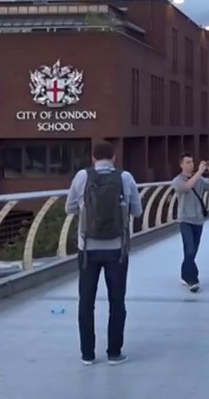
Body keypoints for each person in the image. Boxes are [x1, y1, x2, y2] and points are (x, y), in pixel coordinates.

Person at [65, 142, 142, 365]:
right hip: (117, 250)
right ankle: (114, 353)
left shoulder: (82, 176)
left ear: (93, 158)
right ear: (114, 158)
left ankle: (87, 354)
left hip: (87, 249)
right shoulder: (125, 178)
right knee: (117, 301)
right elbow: (137, 211)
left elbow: (68, 207)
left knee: (86, 302)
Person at [172, 153, 209, 292]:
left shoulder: (199, 180)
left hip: (198, 219)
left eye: (192, 162)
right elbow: (187, 187)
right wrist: (200, 172)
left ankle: (184, 274)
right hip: (185, 219)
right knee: (189, 248)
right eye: (188, 162)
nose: (191, 164)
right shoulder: (178, 180)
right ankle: (192, 279)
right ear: (181, 165)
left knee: (192, 251)